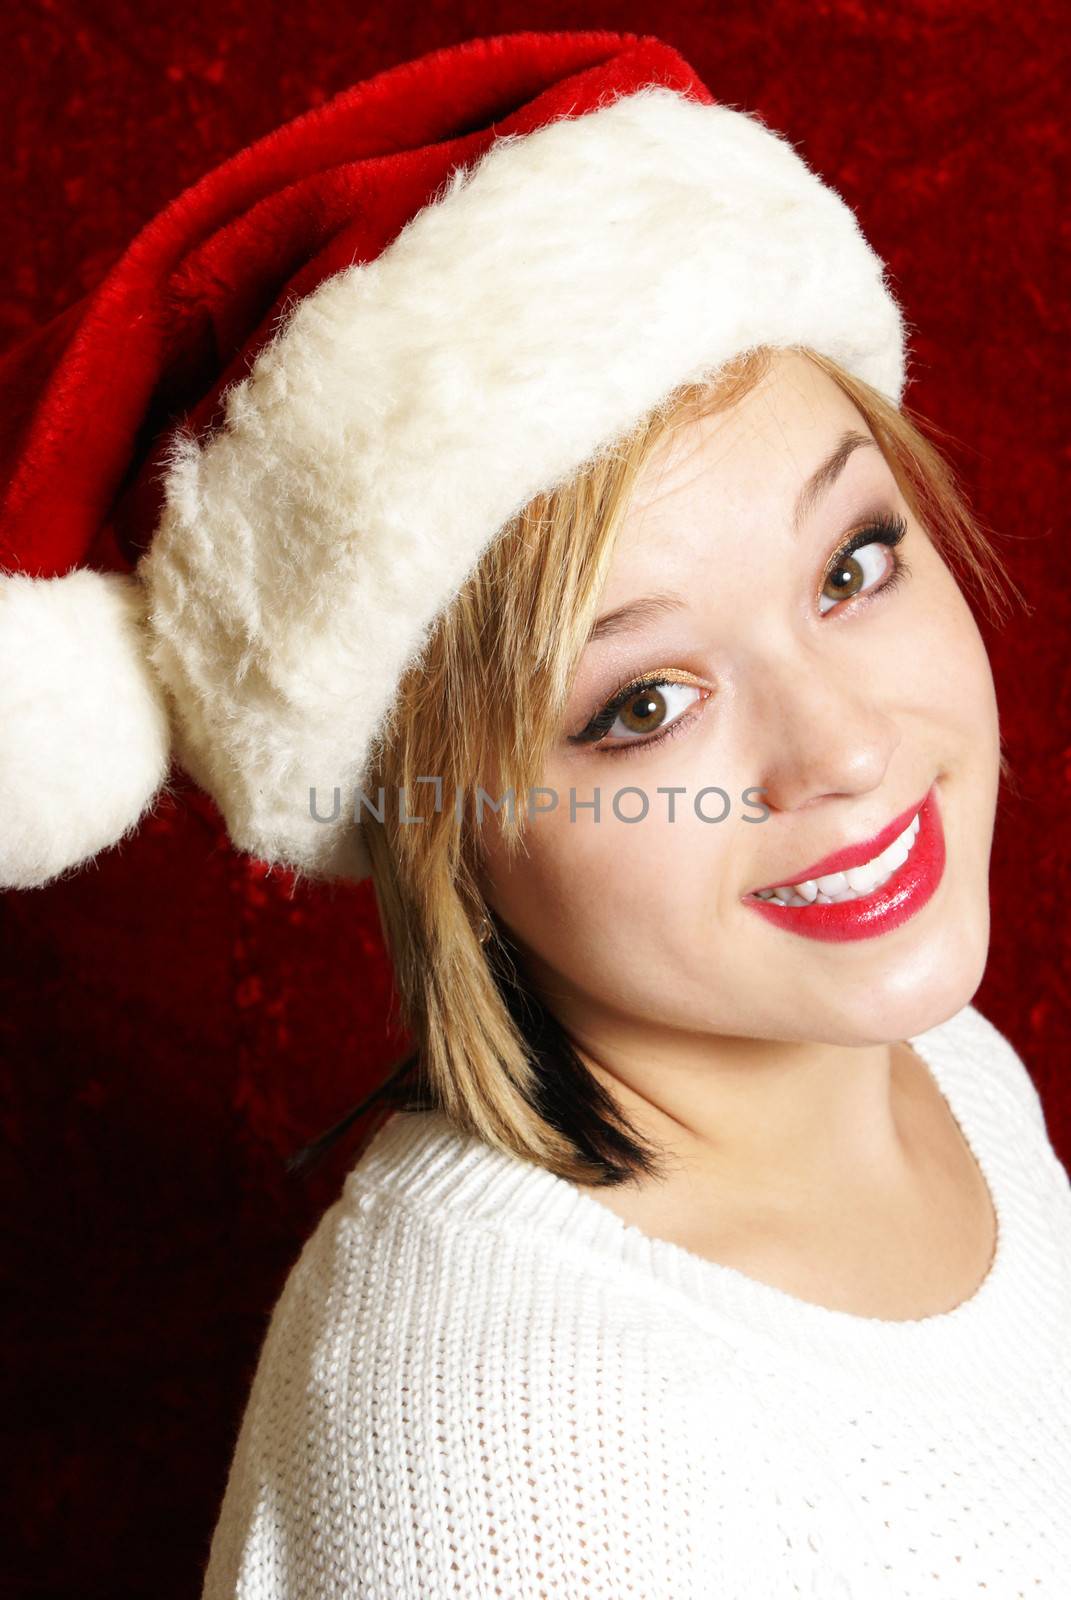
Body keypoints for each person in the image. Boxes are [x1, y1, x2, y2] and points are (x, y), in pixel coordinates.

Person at [2, 28, 1068, 1600]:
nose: (844, 750)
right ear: (445, 828)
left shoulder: (924, 1055)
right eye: (641, 705)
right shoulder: (513, 1445)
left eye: (849, 565)